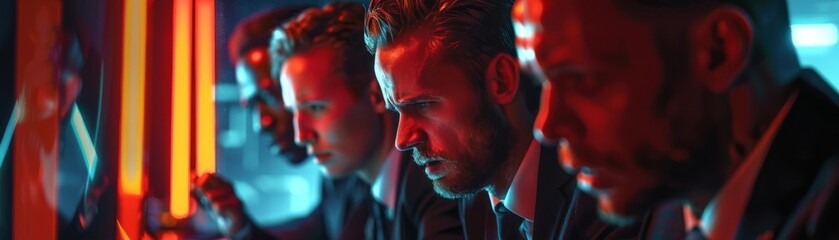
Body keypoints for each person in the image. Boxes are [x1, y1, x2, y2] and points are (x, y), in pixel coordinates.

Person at [513, 0, 839, 239]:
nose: (546, 125)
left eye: (584, 79)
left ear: (718, 51)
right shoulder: (670, 187)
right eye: (542, 81)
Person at [364, 0, 644, 239]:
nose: (402, 140)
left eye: (423, 104)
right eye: (396, 111)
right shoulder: (473, 193)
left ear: (501, 80)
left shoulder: (598, 191)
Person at [273, 3, 463, 239]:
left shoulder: (433, 185)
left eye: (315, 107)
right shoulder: (359, 189)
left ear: (375, 95)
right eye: (294, 112)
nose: (301, 135)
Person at [192, 6, 372, 240]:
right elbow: (312, 231)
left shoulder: (394, 179)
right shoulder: (341, 178)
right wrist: (238, 225)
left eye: (270, 96)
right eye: (253, 106)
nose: (262, 122)